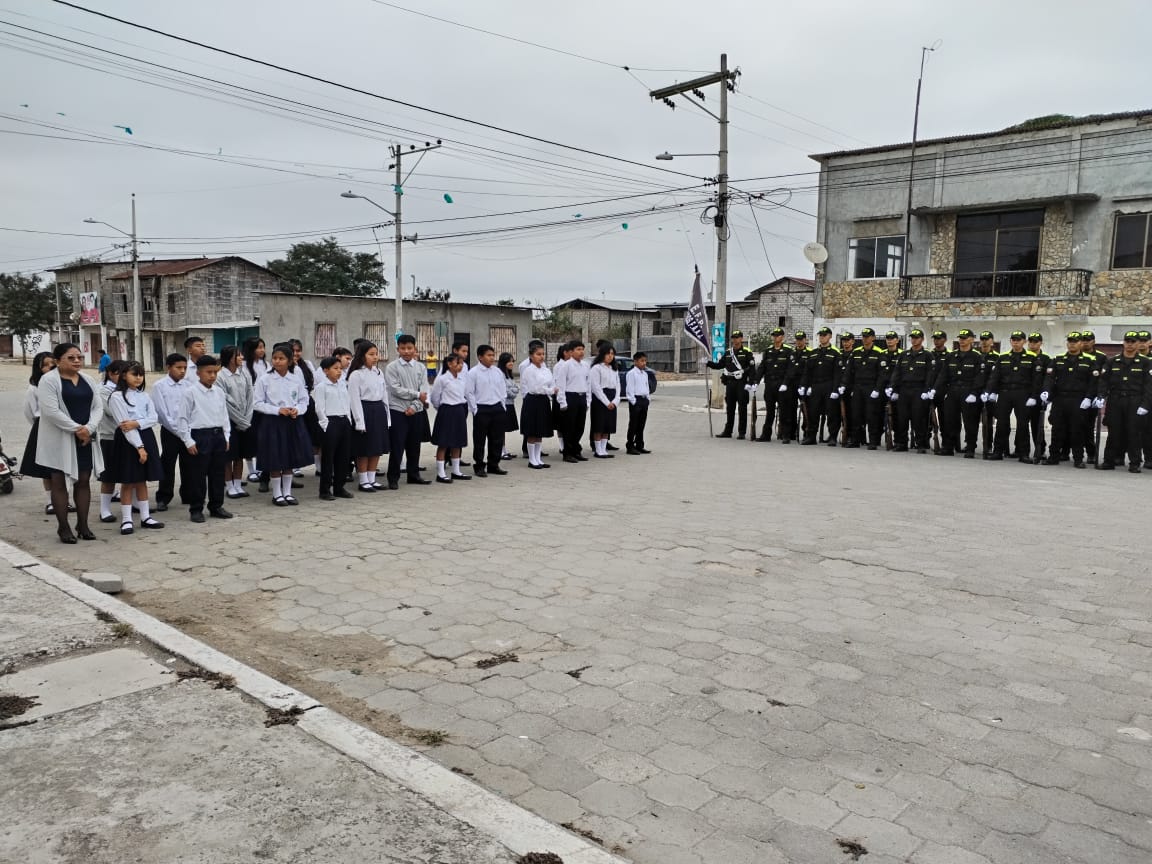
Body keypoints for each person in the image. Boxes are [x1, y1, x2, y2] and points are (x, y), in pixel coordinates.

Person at [35, 343, 103, 544]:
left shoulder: (88, 379)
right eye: (71, 358)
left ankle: (83, 525)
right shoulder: (49, 380)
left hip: (85, 438)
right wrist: (77, 429)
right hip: (60, 438)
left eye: (79, 357)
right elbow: (51, 411)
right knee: (59, 482)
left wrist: (88, 429)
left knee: (83, 480)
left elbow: (98, 407)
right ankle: (63, 527)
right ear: (58, 361)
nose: (77, 361)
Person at [107, 362, 165, 535]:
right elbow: (125, 425)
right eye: (134, 374)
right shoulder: (117, 396)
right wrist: (139, 446)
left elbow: (153, 417)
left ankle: (145, 516)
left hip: (146, 436)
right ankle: (127, 519)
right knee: (128, 481)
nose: (139, 378)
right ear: (124, 375)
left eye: (141, 374)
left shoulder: (144, 396)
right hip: (128, 441)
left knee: (142, 480)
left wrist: (137, 422)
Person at [253, 342, 312, 505]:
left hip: (292, 422)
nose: (277, 361)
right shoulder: (265, 379)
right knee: (275, 458)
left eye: (281, 358)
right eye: (275, 358)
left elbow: (304, 400)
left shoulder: (295, 379)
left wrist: (297, 410)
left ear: (290, 361)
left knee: (289, 458)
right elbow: (257, 403)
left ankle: (287, 493)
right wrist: (277, 410)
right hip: (272, 423)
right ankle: (277, 494)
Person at [178, 355, 232, 522]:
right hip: (200, 435)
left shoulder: (219, 392)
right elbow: (182, 419)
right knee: (198, 475)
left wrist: (226, 436)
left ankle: (216, 506)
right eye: (208, 372)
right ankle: (196, 508)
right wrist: (188, 440)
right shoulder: (190, 393)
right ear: (198, 373)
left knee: (218, 474)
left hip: (218, 435)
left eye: (215, 372)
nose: (212, 376)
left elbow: (224, 415)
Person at [1096, 331, 1152, 473]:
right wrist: (1101, 396)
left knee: (1134, 433)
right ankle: (1109, 461)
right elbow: (1104, 381)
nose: (1130, 344)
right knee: (1114, 431)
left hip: (1135, 400)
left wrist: (1145, 404)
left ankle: (1135, 463)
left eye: (1133, 342)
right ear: (1123, 343)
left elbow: (1149, 386)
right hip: (1115, 400)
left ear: (1138, 344)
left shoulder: (1146, 362)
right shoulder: (1112, 361)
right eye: (1127, 341)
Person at [984, 330, 1044, 463]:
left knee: (1022, 424)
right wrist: (989, 391)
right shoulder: (1003, 357)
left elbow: (1037, 380)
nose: (1016, 342)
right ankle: (998, 451)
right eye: (1013, 340)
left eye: (1018, 340)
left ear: (1024, 341)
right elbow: (995, 377)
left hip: (1023, 394)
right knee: (1001, 424)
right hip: (1005, 393)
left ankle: (1024, 454)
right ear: (1010, 341)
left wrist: (1034, 396)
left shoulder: (1032, 358)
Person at [20, 350, 67, 514]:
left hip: (62, 426)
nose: (50, 367)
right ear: (38, 368)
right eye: (45, 365)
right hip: (42, 427)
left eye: (52, 363)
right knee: (46, 468)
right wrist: (38, 426)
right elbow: (29, 411)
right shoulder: (34, 388)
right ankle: (50, 501)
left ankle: (64, 500)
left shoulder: (63, 382)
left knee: (62, 466)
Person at [1041, 332, 1096, 468]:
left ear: (1080, 343)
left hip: (1078, 400)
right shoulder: (1058, 359)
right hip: (1060, 399)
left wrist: (1089, 398)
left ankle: (1078, 459)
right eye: (1070, 341)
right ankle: (1054, 457)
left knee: (1077, 430)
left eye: (1075, 341)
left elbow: (1093, 382)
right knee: (1057, 429)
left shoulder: (1089, 360)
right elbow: (1049, 378)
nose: (1072, 344)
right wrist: (1046, 391)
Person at [385, 334, 433, 490]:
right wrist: (417, 395)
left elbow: (424, 390)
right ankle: (393, 478)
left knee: (414, 445)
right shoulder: (392, 367)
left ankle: (414, 475)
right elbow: (395, 389)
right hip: (397, 410)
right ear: (397, 349)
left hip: (415, 411)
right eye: (403, 348)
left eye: (409, 348)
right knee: (397, 446)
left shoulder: (420, 367)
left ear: (415, 349)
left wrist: (415, 406)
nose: (406, 351)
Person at [930, 329, 986, 458]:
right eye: (960, 338)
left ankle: (970, 447)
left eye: (965, 338)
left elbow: (980, 377)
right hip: (953, 391)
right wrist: (935, 389)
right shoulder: (951, 356)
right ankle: (948, 446)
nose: (962, 340)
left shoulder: (977, 357)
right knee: (950, 420)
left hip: (968, 391)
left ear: (971, 339)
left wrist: (974, 393)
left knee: (970, 422)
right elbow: (943, 375)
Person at [346, 340, 390, 492]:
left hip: (378, 410)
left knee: (376, 447)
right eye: (371, 354)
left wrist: (387, 417)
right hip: (364, 411)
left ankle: (372, 479)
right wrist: (359, 421)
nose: (375, 357)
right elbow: (354, 399)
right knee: (364, 448)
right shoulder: (356, 375)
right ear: (362, 355)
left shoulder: (379, 373)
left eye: (376, 354)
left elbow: (384, 395)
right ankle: (363, 480)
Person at [313, 356, 355, 500]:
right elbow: (319, 408)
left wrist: (348, 420)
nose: (339, 371)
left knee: (343, 457)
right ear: (326, 371)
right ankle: (325, 490)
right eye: (335, 368)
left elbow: (347, 402)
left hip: (344, 421)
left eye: (340, 369)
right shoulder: (321, 387)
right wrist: (325, 424)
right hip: (330, 422)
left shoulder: (342, 384)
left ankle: (339, 487)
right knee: (328, 458)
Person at [152, 353, 189, 512]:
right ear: (169, 367)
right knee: (168, 464)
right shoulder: (159, 386)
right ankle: (163, 497)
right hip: (169, 431)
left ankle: (187, 494)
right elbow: (161, 413)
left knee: (188, 464)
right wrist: (177, 430)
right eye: (178, 367)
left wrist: (186, 431)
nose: (182, 371)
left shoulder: (188, 385)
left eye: (185, 368)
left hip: (187, 431)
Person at [842, 327, 890, 450]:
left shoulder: (879, 353)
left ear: (873, 338)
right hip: (858, 387)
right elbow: (848, 372)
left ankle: (873, 441)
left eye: (867, 337)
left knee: (871, 415)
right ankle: (855, 440)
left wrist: (877, 389)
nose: (865, 339)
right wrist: (845, 385)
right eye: (863, 337)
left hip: (871, 387)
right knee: (856, 414)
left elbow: (882, 374)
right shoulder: (856, 352)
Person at [886, 329, 933, 453]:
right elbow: (897, 373)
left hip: (919, 390)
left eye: (917, 338)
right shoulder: (904, 355)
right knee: (902, 418)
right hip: (904, 389)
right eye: (912, 338)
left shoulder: (927, 355)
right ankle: (901, 443)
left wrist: (926, 390)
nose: (914, 340)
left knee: (919, 418)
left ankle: (921, 444)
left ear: (922, 339)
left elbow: (930, 374)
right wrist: (892, 387)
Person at [466, 344, 508, 477]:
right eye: (489, 355)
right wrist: (475, 409)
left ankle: (493, 464)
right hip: (482, 408)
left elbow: (503, 389)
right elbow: (469, 392)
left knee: (497, 439)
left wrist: (502, 405)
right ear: (480, 357)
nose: (492, 358)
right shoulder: (473, 373)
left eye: (493, 355)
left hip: (497, 408)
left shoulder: (497, 372)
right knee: (480, 439)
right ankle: (479, 465)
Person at [218, 345, 254, 500]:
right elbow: (225, 402)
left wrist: (247, 418)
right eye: (238, 355)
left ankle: (238, 484)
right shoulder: (220, 377)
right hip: (230, 421)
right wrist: (240, 420)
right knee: (229, 456)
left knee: (241, 454)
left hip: (245, 421)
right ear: (229, 358)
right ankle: (230, 486)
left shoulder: (244, 373)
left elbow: (250, 396)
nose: (241, 358)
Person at [706, 330, 756, 439]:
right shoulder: (728, 352)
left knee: (742, 409)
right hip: (730, 383)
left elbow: (752, 369)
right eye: (733, 338)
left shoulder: (747, 352)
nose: (735, 340)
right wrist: (708, 363)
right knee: (730, 408)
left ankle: (742, 432)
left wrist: (751, 383)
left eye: (737, 337)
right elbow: (720, 365)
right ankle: (728, 431)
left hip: (742, 383)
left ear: (741, 339)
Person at [430, 353, 471, 483]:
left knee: (457, 442)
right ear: (449, 364)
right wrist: (442, 408)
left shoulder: (461, 379)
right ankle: (441, 473)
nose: (460, 366)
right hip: (446, 410)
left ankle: (456, 471)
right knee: (443, 443)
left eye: (461, 364)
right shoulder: (442, 379)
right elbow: (434, 397)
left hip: (459, 410)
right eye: (457, 363)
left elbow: (466, 394)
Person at [97, 359, 128, 523]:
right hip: (109, 436)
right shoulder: (103, 390)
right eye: (120, 374)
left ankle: (134, 503)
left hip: (128, 435)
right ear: (110, 373)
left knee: (130, 473)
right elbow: (112, 411)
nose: (124, 377)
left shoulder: (128, 389)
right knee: (109, 476)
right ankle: (104, 510)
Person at [799, 327, 841, 446]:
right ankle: (811, 436)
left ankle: (832, 437)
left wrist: (835, 390)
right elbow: (807, 372)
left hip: (829, 385)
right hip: (815, 385)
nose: (822, 337)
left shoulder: (835, 353)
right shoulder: (813, 353)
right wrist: (804, 386)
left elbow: (837, 374)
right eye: (820, 335)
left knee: (832, 413)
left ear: (830, 336)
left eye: (824, 335)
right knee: (813, 412)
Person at [755, 327, 796, 444]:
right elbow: (762, 368)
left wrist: (785, 383)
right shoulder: (768, 351)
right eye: (774, 336)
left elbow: (791, 369)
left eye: (778, 336)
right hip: (770, 385)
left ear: (782, 337)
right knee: (770, 411)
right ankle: (766, 435)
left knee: (784, 411)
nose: (775, 338)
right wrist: (755, 381)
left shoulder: (788, 351)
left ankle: (786, 435)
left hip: (782, 385)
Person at [519, 343, 556, 469]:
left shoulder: (546, 370)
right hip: (532, 400)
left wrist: (550, 389)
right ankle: (532, 459)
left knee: (540, 430)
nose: (541, 356)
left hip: (543, 401)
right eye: (538, 354)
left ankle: (538, 458)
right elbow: (536, 388)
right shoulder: (529, 370)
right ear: (531, 356)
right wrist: (550, 390)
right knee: (532, 431)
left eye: (543, 354)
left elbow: (552, 383)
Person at [554, 340, 591, 459]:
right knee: (569, 427)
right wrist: (562, 402)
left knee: (580, 427)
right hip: (570, 397)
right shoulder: (566, 366)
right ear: (571, 351)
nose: (581, 352)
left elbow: (588, 384)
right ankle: (567, 453)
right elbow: (561, 385)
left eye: (582, 349)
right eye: (578, 349)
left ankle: (576, 450)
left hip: (582, 397)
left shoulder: (586, 365)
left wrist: (588, 401)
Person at [1078, 330, 1107, 463]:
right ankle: (1066, 451)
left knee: (1088, 427)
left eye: (1088, 340)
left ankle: (1091, 453)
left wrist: (1100, 395)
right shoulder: (1076, 354)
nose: (1085, 342)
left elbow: (1103, 379)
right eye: (1083, 340)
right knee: (1071, 425)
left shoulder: (1101, 357)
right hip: (1076, 396)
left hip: (1092, 397)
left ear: (1093, 342)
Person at [589, 344, 621, 457]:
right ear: (602, 354)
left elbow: (618, 385)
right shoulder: (596, 368)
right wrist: (607, 402)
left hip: (612, 397)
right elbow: (596, 387)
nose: (610, 356)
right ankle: (598, 450)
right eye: (608, 353)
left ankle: (604, 449)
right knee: (599, 425)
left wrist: (616, 400)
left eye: (612, 354)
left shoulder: (614, 369)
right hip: (600, 399)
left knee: (608, 426)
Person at [1025, 333, 1050, 464]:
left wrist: (1046, 394)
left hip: (1038, 396)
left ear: (1041, 343)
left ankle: (1040, 450)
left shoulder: (1046, 359)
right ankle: (1021, 450)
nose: (1032, 344)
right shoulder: (1023, 356)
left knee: (1037, 425)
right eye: (1031, 341)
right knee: (1022, 424)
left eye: (1035, 342)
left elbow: (1048, 379)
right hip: (1023, 395)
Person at [625, 351, 652, 454]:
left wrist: (648, 399)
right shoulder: (631, 373)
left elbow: (646, 387)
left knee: (641, 424)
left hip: (644, 400)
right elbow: (629, 389)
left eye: (645, 361)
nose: (644, 363)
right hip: (636, 400)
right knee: (633, 424)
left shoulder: (645, 374)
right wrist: (633, 401)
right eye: (642, 361)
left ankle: (639, 445)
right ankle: (630, 446)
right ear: (635, 361)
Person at [498, 352, 518, 459]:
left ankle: (504, 450)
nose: (511, 363)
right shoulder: (500, 374)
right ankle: (500, 451)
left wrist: (513, 391)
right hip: (504, 404)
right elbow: (505, 390)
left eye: (512, 361)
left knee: (504, 429)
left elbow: (516, 388)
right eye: (509, 361)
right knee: (501, 429)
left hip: (510, 404)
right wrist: (513, 392)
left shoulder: (509, 374)